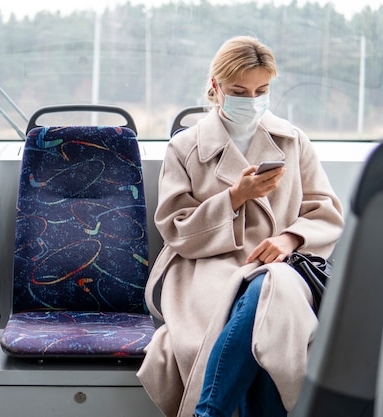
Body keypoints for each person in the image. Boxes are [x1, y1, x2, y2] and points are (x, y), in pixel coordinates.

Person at [137, 36, 344, 417]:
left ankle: (208, 412)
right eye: (239, 91)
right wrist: (234, 196)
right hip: (206, 269)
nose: (252, 99)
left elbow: (327, 212)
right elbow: (176, 228)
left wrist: (288, 237)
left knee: (272, 285)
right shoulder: (184, 148)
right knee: (272, 319)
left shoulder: (293, 141)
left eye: (261, 90)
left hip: (281, 263)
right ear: (215, 87)